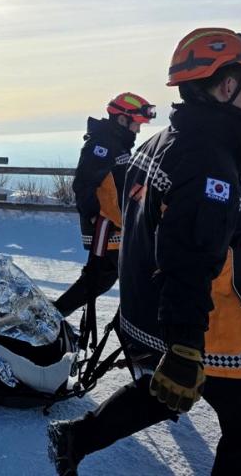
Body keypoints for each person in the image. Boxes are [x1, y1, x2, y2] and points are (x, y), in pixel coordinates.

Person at [47, 28, 241, 475]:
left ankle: (76, 437)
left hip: (155, 317)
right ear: (227, 86)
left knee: (166, 393)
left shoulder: (167, 140)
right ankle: (79, 432)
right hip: (212, 328)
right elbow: (189, 257)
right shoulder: (210, 160)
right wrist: (186, 346)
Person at [53, 93, 155, 317]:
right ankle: (50, 318)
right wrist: (93, 216)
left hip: (118, 227)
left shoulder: (116, 144)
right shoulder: (102, 145)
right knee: (99, 281)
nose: (137, 130)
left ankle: (52, 316)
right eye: (136, 124)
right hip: (105, 230)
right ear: (121, 120)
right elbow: (83, 183)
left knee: (106, 280)